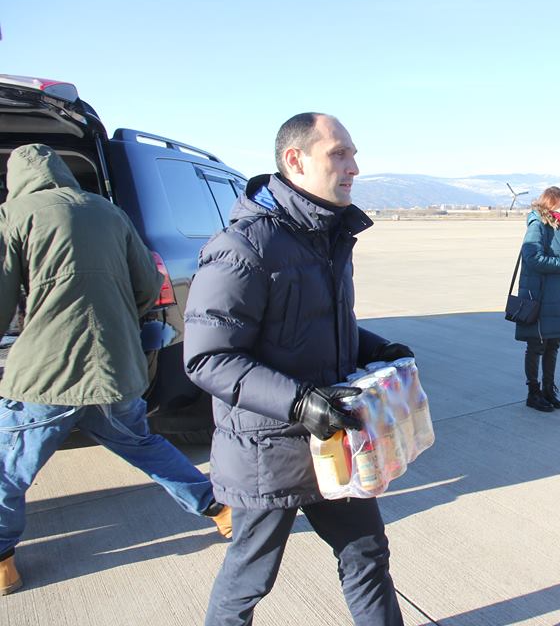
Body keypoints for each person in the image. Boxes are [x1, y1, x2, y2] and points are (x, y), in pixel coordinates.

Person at [183, 113, 412, 626]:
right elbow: (208, 358)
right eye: (339, 153)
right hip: (267, 449)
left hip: (332, 440)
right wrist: (300, 401)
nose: (354, 167)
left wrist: (377, 348)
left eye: (353, 154)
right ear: (295, 160)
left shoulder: (328, 237)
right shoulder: (244, 246)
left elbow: (318, 326)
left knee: (367, 554)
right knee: (250, 577)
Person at [0, 144, 231, 597]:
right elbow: (147, 286)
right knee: (141, 443)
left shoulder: (14, 215)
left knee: (7, 467)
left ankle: (3, 561)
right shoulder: (109, 212)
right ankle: (222, 510)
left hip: (49, 374)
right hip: (115, 366)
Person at [514, 186, 560, 412]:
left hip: (558, 297)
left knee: (553, 345)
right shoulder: (538, 225)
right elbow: (532, 257)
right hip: (540, 296)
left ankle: (549, 390)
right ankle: (533, 393)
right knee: (536, 346)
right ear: (550, 205)